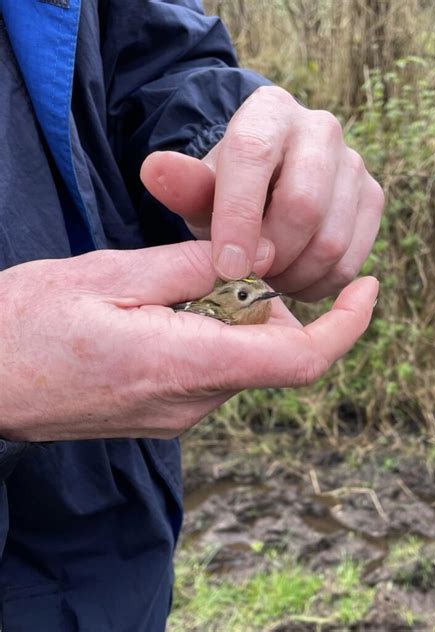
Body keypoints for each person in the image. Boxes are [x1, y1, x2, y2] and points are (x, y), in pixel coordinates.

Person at [0, 1, 383, 629]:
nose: (258, 300)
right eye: (244, 297)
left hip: (120, 548)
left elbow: (150, 54)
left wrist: (226, 143)